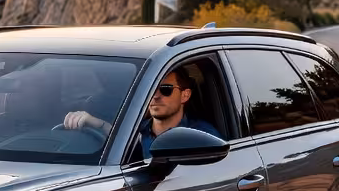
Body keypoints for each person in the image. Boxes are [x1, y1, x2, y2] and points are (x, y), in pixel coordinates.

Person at [61, 66, 221, 156]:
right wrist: (95, 123)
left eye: (165, 89)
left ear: (185, 95)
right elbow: (123, 143)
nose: (155, 96)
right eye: (150, 90)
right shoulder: (136, 130)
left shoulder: (202, 135)